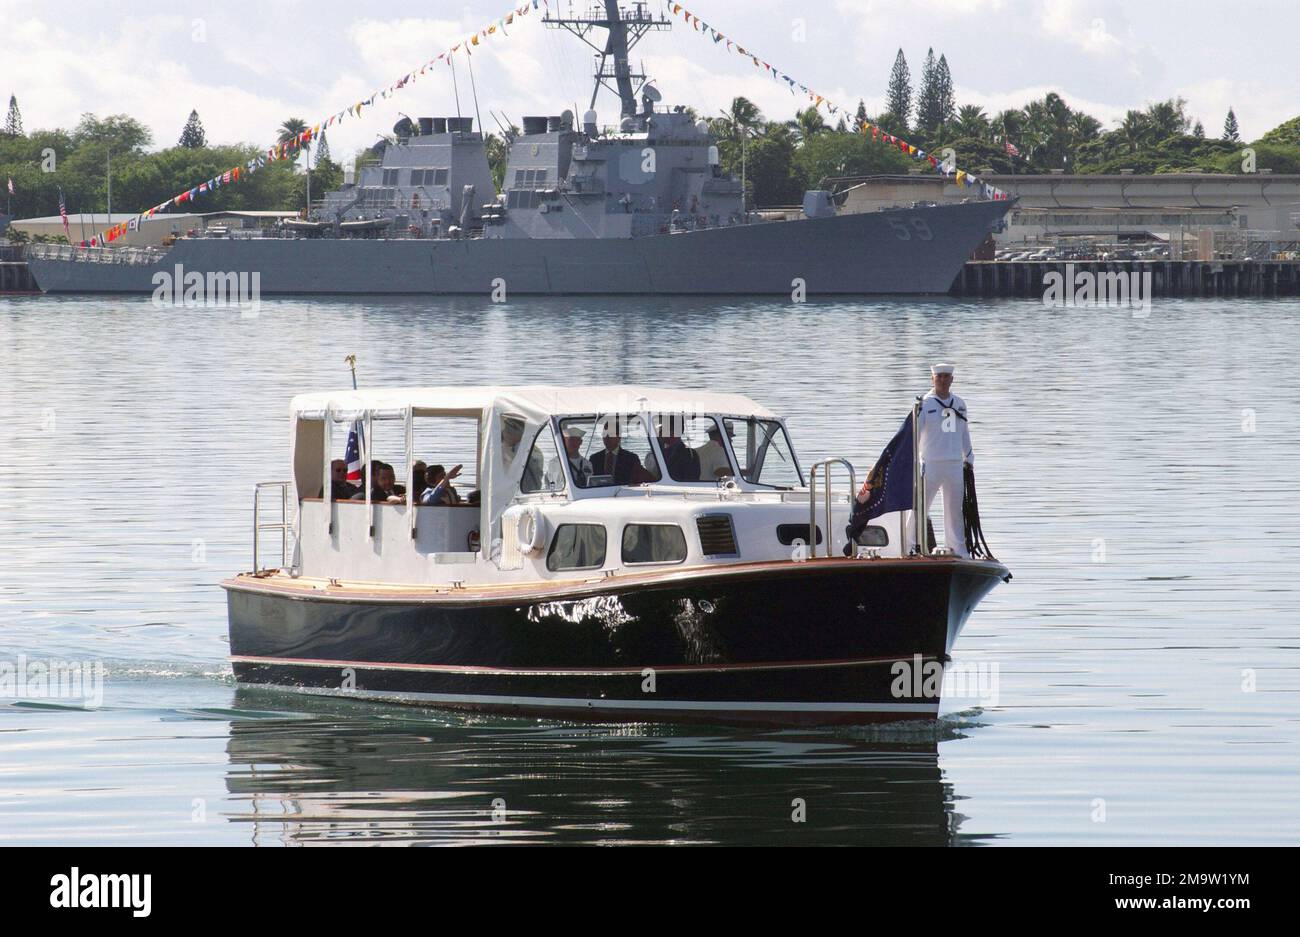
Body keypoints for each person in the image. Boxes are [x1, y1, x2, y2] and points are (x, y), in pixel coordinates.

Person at [916, 363, 974, 558]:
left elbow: (964, 431)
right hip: (931, 463)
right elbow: (914, 435)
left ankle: (958, 548)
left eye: (945, 376)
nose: (942, 380)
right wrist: (914, 460)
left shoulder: (959, 403)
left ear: (952, 379)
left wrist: (969, 455)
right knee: (919, 507)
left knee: (954, 510)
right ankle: (909, 544)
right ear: (932, 379)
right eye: (938, 376)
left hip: (953, 464)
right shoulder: (924, 404)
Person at [588, 418, 642, 485]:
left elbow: (637, 482)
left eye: (610, 434)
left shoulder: (631, 459)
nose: (607, 437)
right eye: (604, 434)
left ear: (619, 436)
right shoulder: (594, 459)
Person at [545, 425, 592, 490]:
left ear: (581, 442)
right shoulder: (554, 463)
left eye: (577, 440)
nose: (574, 443)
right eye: (571, 440)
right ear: (564, 441)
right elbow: (550, 484)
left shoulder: (587, 464)